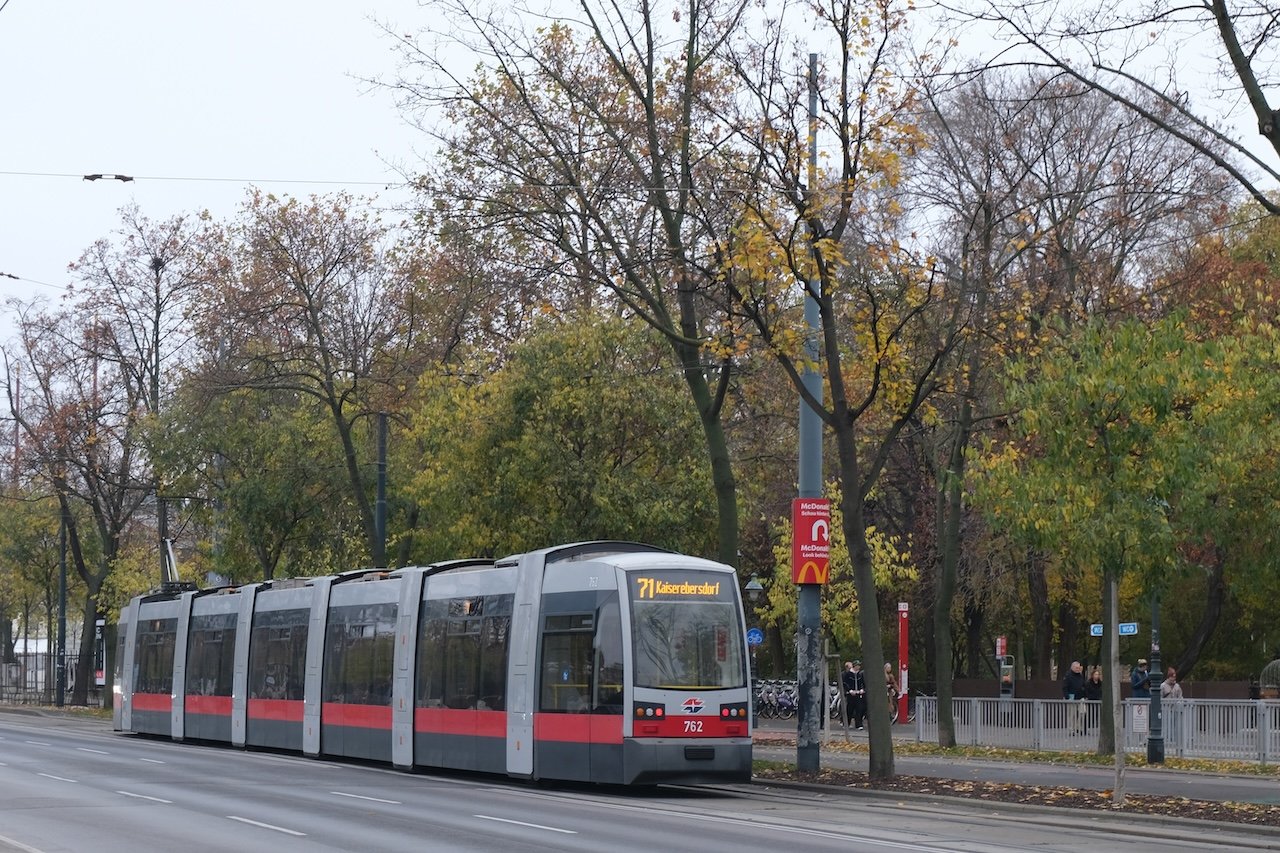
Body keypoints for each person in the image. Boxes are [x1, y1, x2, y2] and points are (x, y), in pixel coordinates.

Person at [1062, 660, 1086, 735]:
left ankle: (1079, 728)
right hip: (1071, 697)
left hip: (1080, 697)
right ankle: (1071, 730)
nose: (1078, 669)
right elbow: (1064, 687)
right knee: (1071, 715)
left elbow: (1083, 685)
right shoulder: (1068, 675)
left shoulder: (1081, 676)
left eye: (1079, 668)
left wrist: (1084, 695)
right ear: (1072, 667)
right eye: (1076, 668)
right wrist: (1067, 697)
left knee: (1083, 712)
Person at [845, 660, 868, 730]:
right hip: (851, 694)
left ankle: (858, 724)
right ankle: (847, 723)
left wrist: (862, 689)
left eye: (859, 665)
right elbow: (845, 683)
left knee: (859, 709)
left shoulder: (859, 675)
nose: (859, 667)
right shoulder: (848, 674)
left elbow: (862, 683)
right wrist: (850, 690)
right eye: (857, 665)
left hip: (858, 694)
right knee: (850, 709)